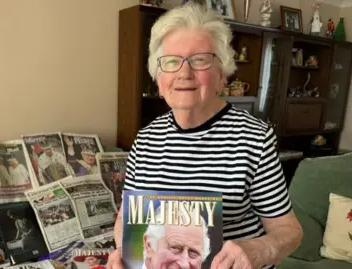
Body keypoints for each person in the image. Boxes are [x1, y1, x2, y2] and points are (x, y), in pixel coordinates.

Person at [107, 3, 303, 269]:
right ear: (159, 78)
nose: (184, 73)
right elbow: (126, 218)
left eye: (199, 60)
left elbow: (289, 230)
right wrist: (125, 254)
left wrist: (259, 249)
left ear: (221, 74)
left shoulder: (254, 138)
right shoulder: (146, 139)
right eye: (172, 62)